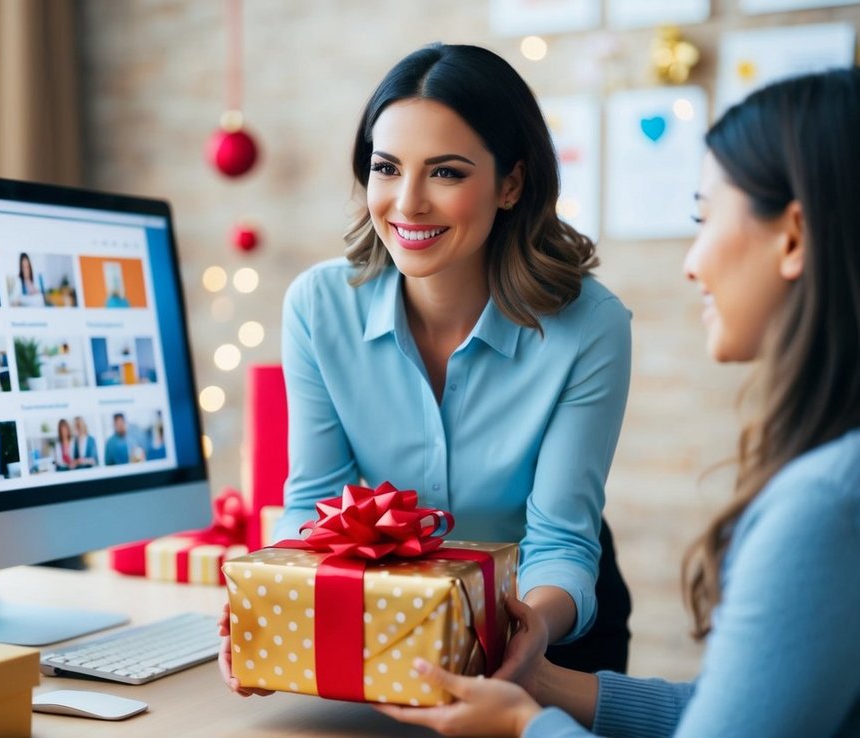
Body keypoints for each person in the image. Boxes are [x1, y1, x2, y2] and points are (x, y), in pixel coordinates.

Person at [378, 67, 860, 737]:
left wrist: (524, 726)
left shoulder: (823, 507)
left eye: (704, 217)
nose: (690, 262)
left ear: (792, 238)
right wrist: (535, 685)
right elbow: (724, 713)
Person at [219, 42, 634, 694]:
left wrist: (519, 631)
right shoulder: (318, 306)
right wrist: (280, 602)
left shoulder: (588, 325)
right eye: (387, 168)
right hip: (392, 623)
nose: (407, 203)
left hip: (542, 619)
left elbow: (559, 543)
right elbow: (312, 502)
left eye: (444, 173)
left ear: (511, 184)